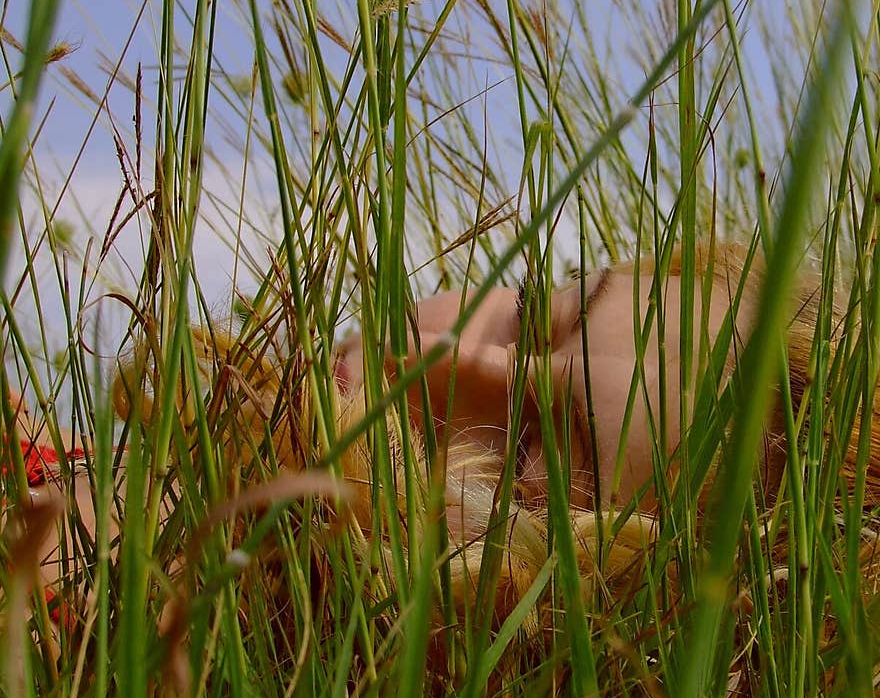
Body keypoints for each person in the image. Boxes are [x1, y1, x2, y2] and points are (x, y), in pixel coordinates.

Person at [3, 242, 874, 638]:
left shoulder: (92, 579)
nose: (427, 358)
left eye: (527, 450)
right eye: (537, 312)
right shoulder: (77, 457)